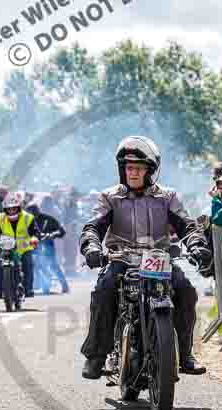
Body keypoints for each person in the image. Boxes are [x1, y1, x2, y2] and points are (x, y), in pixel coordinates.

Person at [79, 136, 212, 379]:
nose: (132, 173)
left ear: (150, 171)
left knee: (185, 289)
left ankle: (185, 354)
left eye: (138, 168)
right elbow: (92, 227)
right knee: (104, 288)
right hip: (121, 258)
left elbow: (188, 226)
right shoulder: (110, 197)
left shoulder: (167, 196)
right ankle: (96, 356)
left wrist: (196, 245)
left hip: (159, 258)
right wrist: (91, 248)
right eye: (129, 167)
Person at [0, 193, 39, 299]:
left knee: (28, 263)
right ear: (5, 210)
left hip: (23, 247)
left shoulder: (28, 217)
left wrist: (34, 238)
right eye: (9, 209)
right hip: (6, 248)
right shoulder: (1, 218)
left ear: (18, 208)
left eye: (14, 209)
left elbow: (35, 231)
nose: (11, 211)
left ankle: (28, 289)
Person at [27, 200, 70, 295]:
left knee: (53, 265)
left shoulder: (48, 219)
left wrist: (51, 234)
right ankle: (41, 286)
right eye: (30, 212)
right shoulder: (26, 221)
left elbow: (61, 231)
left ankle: (64, 285)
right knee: (35, 265)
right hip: (32, 246)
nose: (33, 214)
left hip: (47, 244)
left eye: (34, 211)